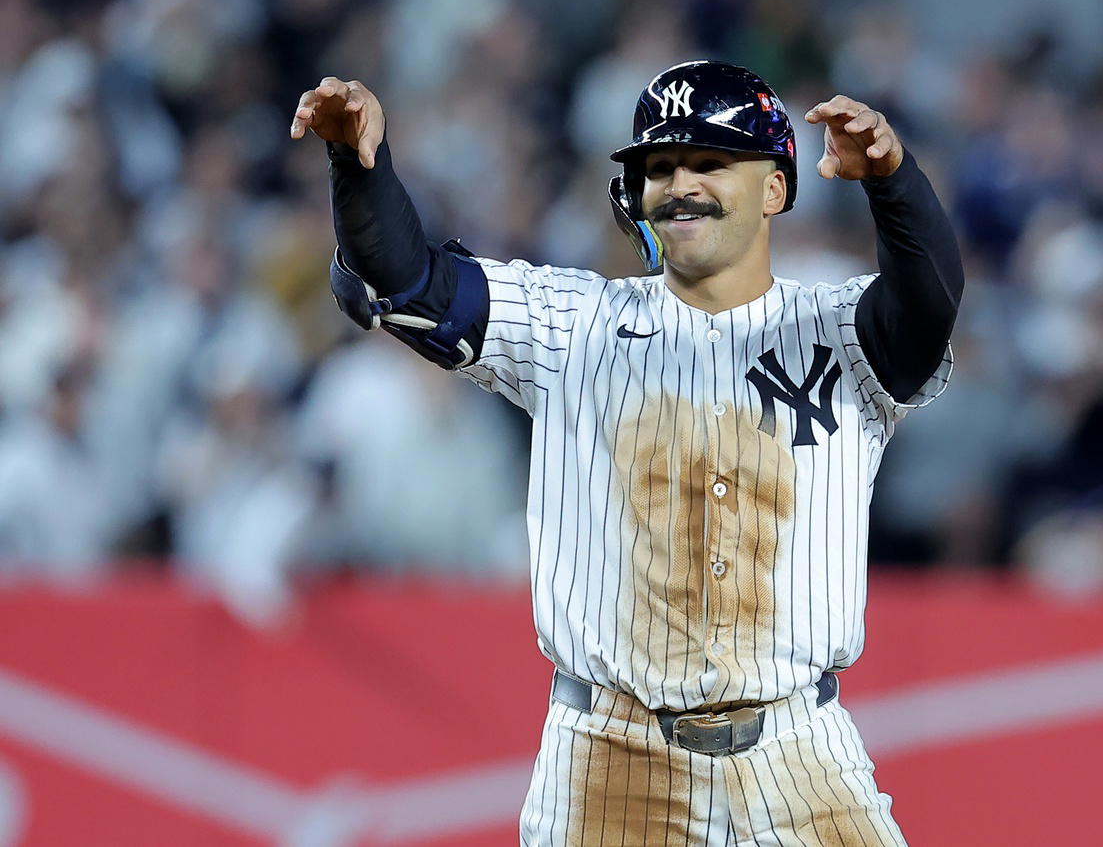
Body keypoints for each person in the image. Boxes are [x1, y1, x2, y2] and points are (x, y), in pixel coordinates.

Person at [290, 59, 962, 846]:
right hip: (614, 752)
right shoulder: (572, 324)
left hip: (799, 751)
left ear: (775, 188)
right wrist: (356, 160)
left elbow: (931, 301)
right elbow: (407, 277)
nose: (682, 182)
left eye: (711, 162)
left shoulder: (843, 330)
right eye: (661, 166)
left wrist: (892, 177)